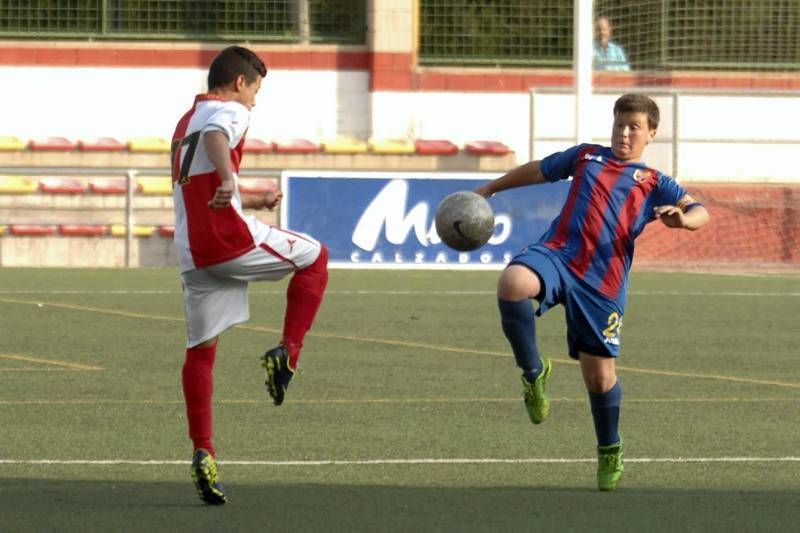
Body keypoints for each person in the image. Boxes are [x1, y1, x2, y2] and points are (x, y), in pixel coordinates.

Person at [474, 94, 709, 491]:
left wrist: (683, 221)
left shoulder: (654, 182)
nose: (624, 132)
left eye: (634, 126)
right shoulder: (586, 157)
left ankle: (609, 446)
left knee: (599, 378)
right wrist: (493, 187)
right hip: (558, 254)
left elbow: (701, 211)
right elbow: (540, 171)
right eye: (619, 124)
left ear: (651, 133)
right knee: (513, 283)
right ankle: (534, 373)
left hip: (602, 281)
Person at [171, 45, 329, 505]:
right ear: (239, 82)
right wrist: (228, 180)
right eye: (256, 89)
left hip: (194, 253)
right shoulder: (226, 110)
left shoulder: (186, 121)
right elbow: (221, 138)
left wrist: (246, 199)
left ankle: (204, 452)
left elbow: (198, 173)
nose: (255, 100)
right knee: (316, 258)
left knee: (201, 352)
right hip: (226, 241)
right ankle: (288, 353)